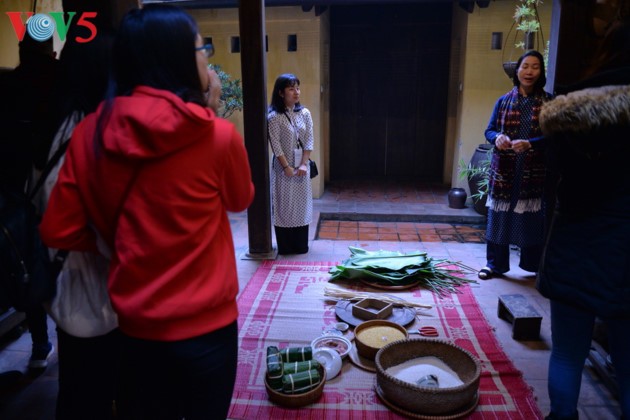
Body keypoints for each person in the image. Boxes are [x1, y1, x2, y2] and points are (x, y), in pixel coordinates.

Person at [39, 5, 254, 420]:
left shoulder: (90, 134)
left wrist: (116, 242)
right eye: (200, 47)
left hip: (135, 332)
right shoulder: (215, 134)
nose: (206, 56)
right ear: (176, 58)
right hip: (210, 330)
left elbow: (57, 228)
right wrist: (208, 112)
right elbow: (240, 199)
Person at [537, 18, 630, 420]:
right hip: (626, 247)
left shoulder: (569, 109)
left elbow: (556, 178)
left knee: (567, 354)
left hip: (574, 240)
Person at [37, 27, 121, 420]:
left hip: (67, 290)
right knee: (93, 393)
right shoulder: (91, 136)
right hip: (95, 297)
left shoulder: (59, 125)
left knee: (78, 389)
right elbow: (88, 227)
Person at [0, 26, 58, 370]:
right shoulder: (61, 83)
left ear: (22, 49)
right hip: (49, 187)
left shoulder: (6, 84)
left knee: (22, 262)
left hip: (10, 195)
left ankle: (39, 343)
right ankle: (53, 337)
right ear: (52, 53)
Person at [477, 50, 552, 280]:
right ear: (517, 70)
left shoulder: (549, 102)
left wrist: (530, 144)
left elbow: (556, 135)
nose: (529, 71)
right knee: (499, 217)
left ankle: (532, 265)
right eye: (525, 66)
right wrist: (497, 138)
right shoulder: (503, 101)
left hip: (533, 171)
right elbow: (489, 130)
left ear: (541, 72)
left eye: (535, 67)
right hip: (505, 171)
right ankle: (495, 265)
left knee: (530, 218)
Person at [268, 73, 314, 255]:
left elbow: (309, 139)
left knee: (302, 204)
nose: (296, 92)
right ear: (281, 93)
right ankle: (286, 246)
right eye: (291, 89)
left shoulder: (305, 113)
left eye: (297, 88)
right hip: (282, 168)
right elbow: (275, 144)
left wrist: (303, 164)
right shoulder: (274, 117)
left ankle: (301, 245)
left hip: (302, 167)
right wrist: (287, 167)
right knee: (284, 205)